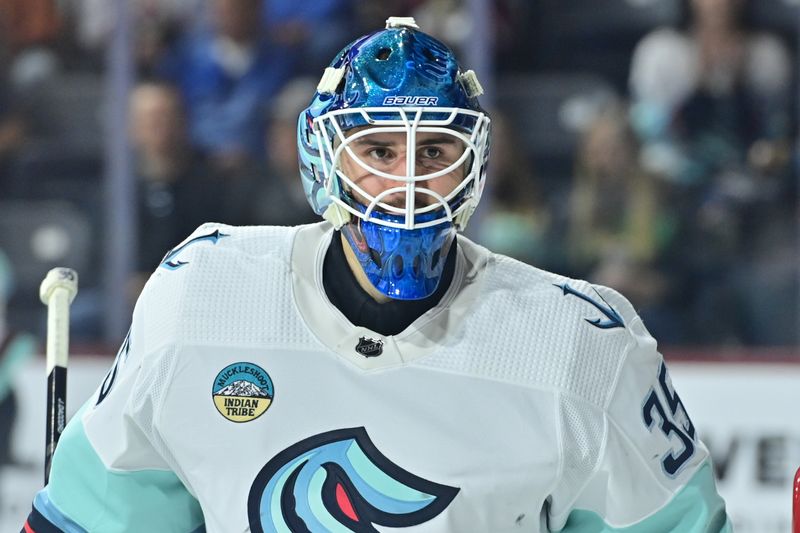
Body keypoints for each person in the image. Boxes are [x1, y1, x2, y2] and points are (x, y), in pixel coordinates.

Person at [23, 17, 730, 532]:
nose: (410, 181)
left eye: (436, 151)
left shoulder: (582, 345)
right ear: (322, 157)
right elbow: (97, 516)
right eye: (381, 149)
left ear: (475, 163)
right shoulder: (204, 298)